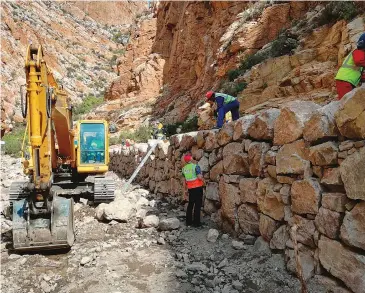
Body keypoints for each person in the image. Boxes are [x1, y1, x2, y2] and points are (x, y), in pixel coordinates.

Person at [335, 33, 365, 99]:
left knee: (347, 101)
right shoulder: (358, 52)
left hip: (347, 81)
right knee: (346, 103)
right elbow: (359, 61)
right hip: (345, 80)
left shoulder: (360, 53)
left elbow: (360, 72)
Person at [181, 154, 204, 227]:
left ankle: (188, 222)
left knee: (190, 204)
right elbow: (199, 177)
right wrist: (202, 176)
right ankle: (197, 223)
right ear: (191, 159)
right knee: (197, 205)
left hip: (190, 189)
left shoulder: (184, 169)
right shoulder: (196, 166)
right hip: (198, 188)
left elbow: (184, 180)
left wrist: (185, 190)